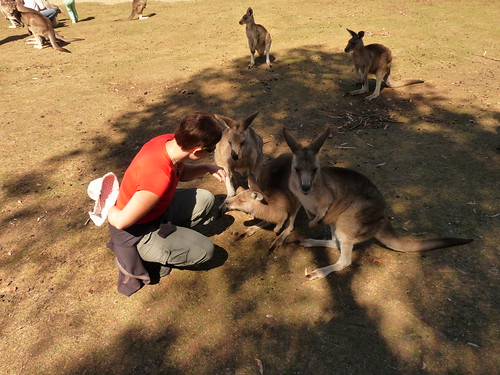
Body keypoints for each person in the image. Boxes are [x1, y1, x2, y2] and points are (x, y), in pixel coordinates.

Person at [106, 111, 226, 296]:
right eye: (209, 151)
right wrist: (108, 207)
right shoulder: (158, 177)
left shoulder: (168, 142)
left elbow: (181, 173)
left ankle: (169, 238)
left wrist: (206, 168)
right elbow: (121, 222)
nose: (211, 155)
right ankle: (148, 256)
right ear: (197, 151)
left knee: (206, 199)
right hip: (135, 231)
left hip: (153, 210)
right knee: (205, 251)